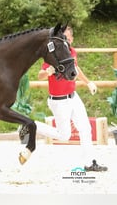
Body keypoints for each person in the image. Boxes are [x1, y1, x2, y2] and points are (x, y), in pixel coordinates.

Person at [19, 26, 108, 172]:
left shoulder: (72, 52)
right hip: (59, 101)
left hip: (73, 96)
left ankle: (89, 163)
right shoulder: (55, 53)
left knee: (85, 128)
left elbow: (76, 69)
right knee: (64, 136)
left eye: (67, 38)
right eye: (63, 38)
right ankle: (30, 125)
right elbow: (40, 75)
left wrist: (88, 82)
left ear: (72, 39)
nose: (65, 41)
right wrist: (48, 71)